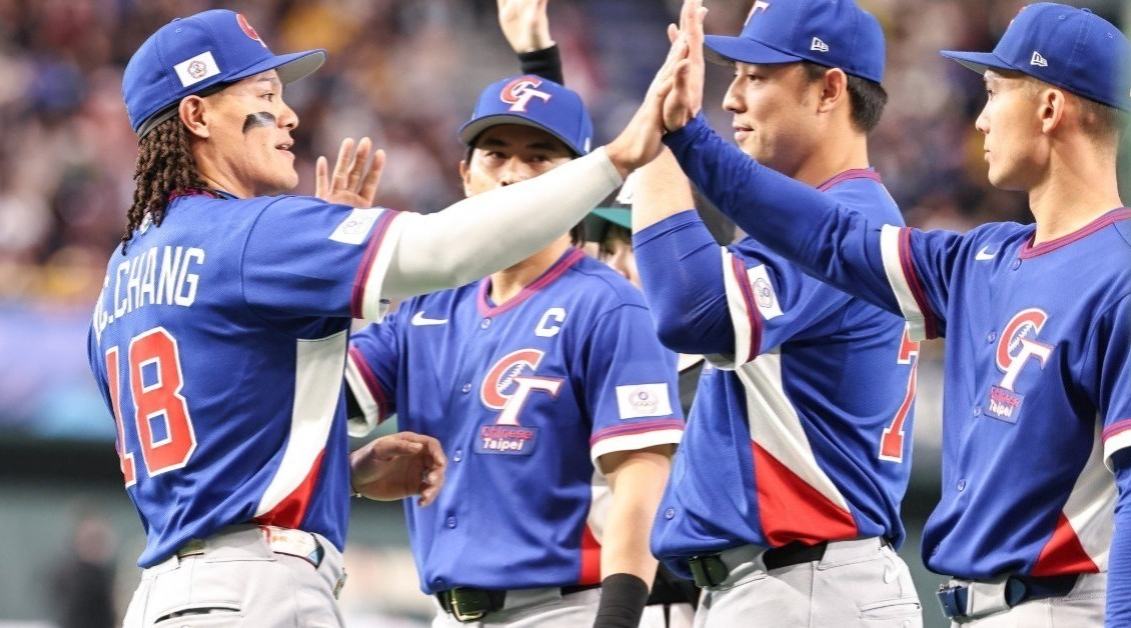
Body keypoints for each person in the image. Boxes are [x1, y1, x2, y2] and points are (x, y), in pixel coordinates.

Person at [88, 9, 663, 627]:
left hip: (167, 594)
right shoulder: (255, 234)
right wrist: (617, 159)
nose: (289, 115)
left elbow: (232, 432)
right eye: (266, 96)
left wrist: (344, 472)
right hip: (256, 586)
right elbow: (446, 249)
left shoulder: (120, 276)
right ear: (197, 115)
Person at [649, 0, 1131, 624]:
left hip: (1063, 606)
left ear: (1049, 107)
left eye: (993, 91)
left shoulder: (1118, 273)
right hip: (977, 607)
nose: (981, 118)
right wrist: (685, 136)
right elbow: (829, 238)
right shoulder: (983, 256)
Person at [615, 1, 926, 626]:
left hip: (808, 583)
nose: (731, 99)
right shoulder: (816, 220)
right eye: (733, 76)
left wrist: (659, 147)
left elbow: (693, 313)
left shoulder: (850, 219)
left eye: (755, 77)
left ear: (829, 90)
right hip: (785, 583)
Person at [344, 73, 683, 628]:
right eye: (495, 153)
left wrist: (619, 619)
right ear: (465, 174)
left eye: (539, 157)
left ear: (580, 181)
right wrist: (329, 277)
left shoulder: (610, 305)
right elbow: (315, 397)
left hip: (561, 609)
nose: (513, 173)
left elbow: (641, 480)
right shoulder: (425, 304)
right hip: (447, 613)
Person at [496, 6, 704, 625]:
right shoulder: (598, 340)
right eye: (604, 246)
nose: (609, 263)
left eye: (633, 246)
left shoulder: (718, 365)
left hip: (671, 608)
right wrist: (539, 67)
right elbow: (553, 212)